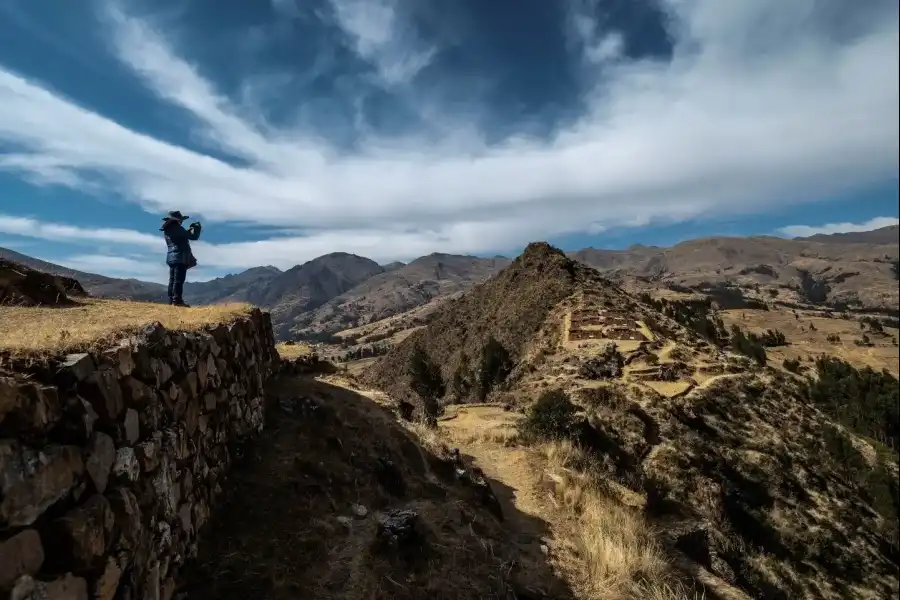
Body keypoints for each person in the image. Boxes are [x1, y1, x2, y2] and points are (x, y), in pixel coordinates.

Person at [160, 211, 202, 307]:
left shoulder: (168, 230)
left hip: (171, 257)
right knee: (179, 280)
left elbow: (180, 236)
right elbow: (193, 237)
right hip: (180, 256)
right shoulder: (177, 228)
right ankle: (177, 301)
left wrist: (188, 230)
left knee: (172, 279)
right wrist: (197, 228)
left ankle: (171, 301)